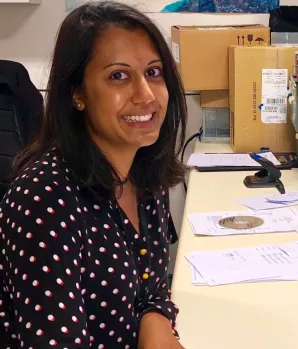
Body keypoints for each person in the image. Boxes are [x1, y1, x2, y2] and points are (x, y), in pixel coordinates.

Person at [0, 1, 187, 348]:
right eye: (119, 76)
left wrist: (154, 319)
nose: (145, 95)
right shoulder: (43, 200)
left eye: (153, 72)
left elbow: (153, 290)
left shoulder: (147, 177)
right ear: (78, 94)